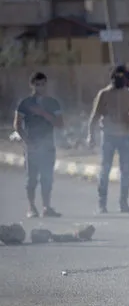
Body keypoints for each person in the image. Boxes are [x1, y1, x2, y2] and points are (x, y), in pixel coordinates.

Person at [87, 66, 129, 214]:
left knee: (125, 171)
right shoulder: (104, 94)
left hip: (124, 136)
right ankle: (101, 204)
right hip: (108, 136)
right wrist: (90, 135)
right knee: (105, 170)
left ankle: (124, 203)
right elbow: (95, 115)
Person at [13, 72, 64, 218]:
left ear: (46, 85)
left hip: (48, 145)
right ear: (32, 85)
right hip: (32, 145)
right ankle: (31, 207)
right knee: (31, 178)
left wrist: (43, 113)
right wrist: (27, 141)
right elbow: (17, 124)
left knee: (47, 178)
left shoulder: (52, 103)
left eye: (42, 84)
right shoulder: (25, 103)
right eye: (37, 84)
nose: (40, 87)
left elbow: (60, 124)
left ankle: (46, 207)